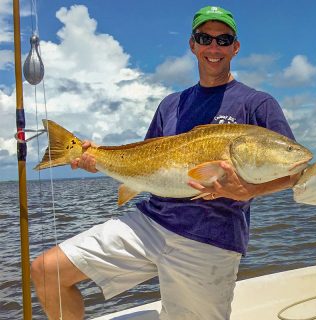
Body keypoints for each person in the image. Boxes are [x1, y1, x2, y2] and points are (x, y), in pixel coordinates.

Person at [31, 6, 298, 320]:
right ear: (192, 45)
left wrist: (247, 190)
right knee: (47, 271)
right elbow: (142, 160)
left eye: (223, 40)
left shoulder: (257, 103)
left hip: (210, 239)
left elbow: (295, 171)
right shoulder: (170, 104)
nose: (214, 47)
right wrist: (97, 159)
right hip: (149, 222)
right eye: (205, 38)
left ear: (235, 47)